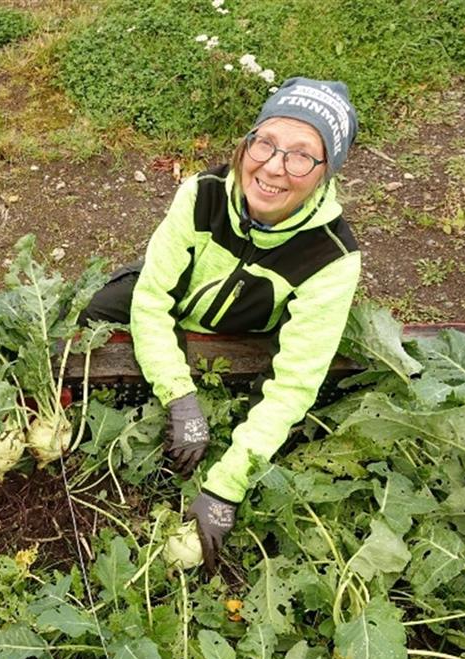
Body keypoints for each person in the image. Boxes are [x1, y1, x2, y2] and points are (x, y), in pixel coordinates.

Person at [82, 77, 360, 574]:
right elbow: (152, 300)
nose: (273, 167)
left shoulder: (332, 258)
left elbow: (293, 385)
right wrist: (179, 396)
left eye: (301, 156)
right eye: (265, 143)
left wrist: (225, 489)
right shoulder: (202, 195)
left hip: (244, 334)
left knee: (283, 419)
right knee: (94, 316)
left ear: (325, 172)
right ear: (248, 142)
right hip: (175, 309)